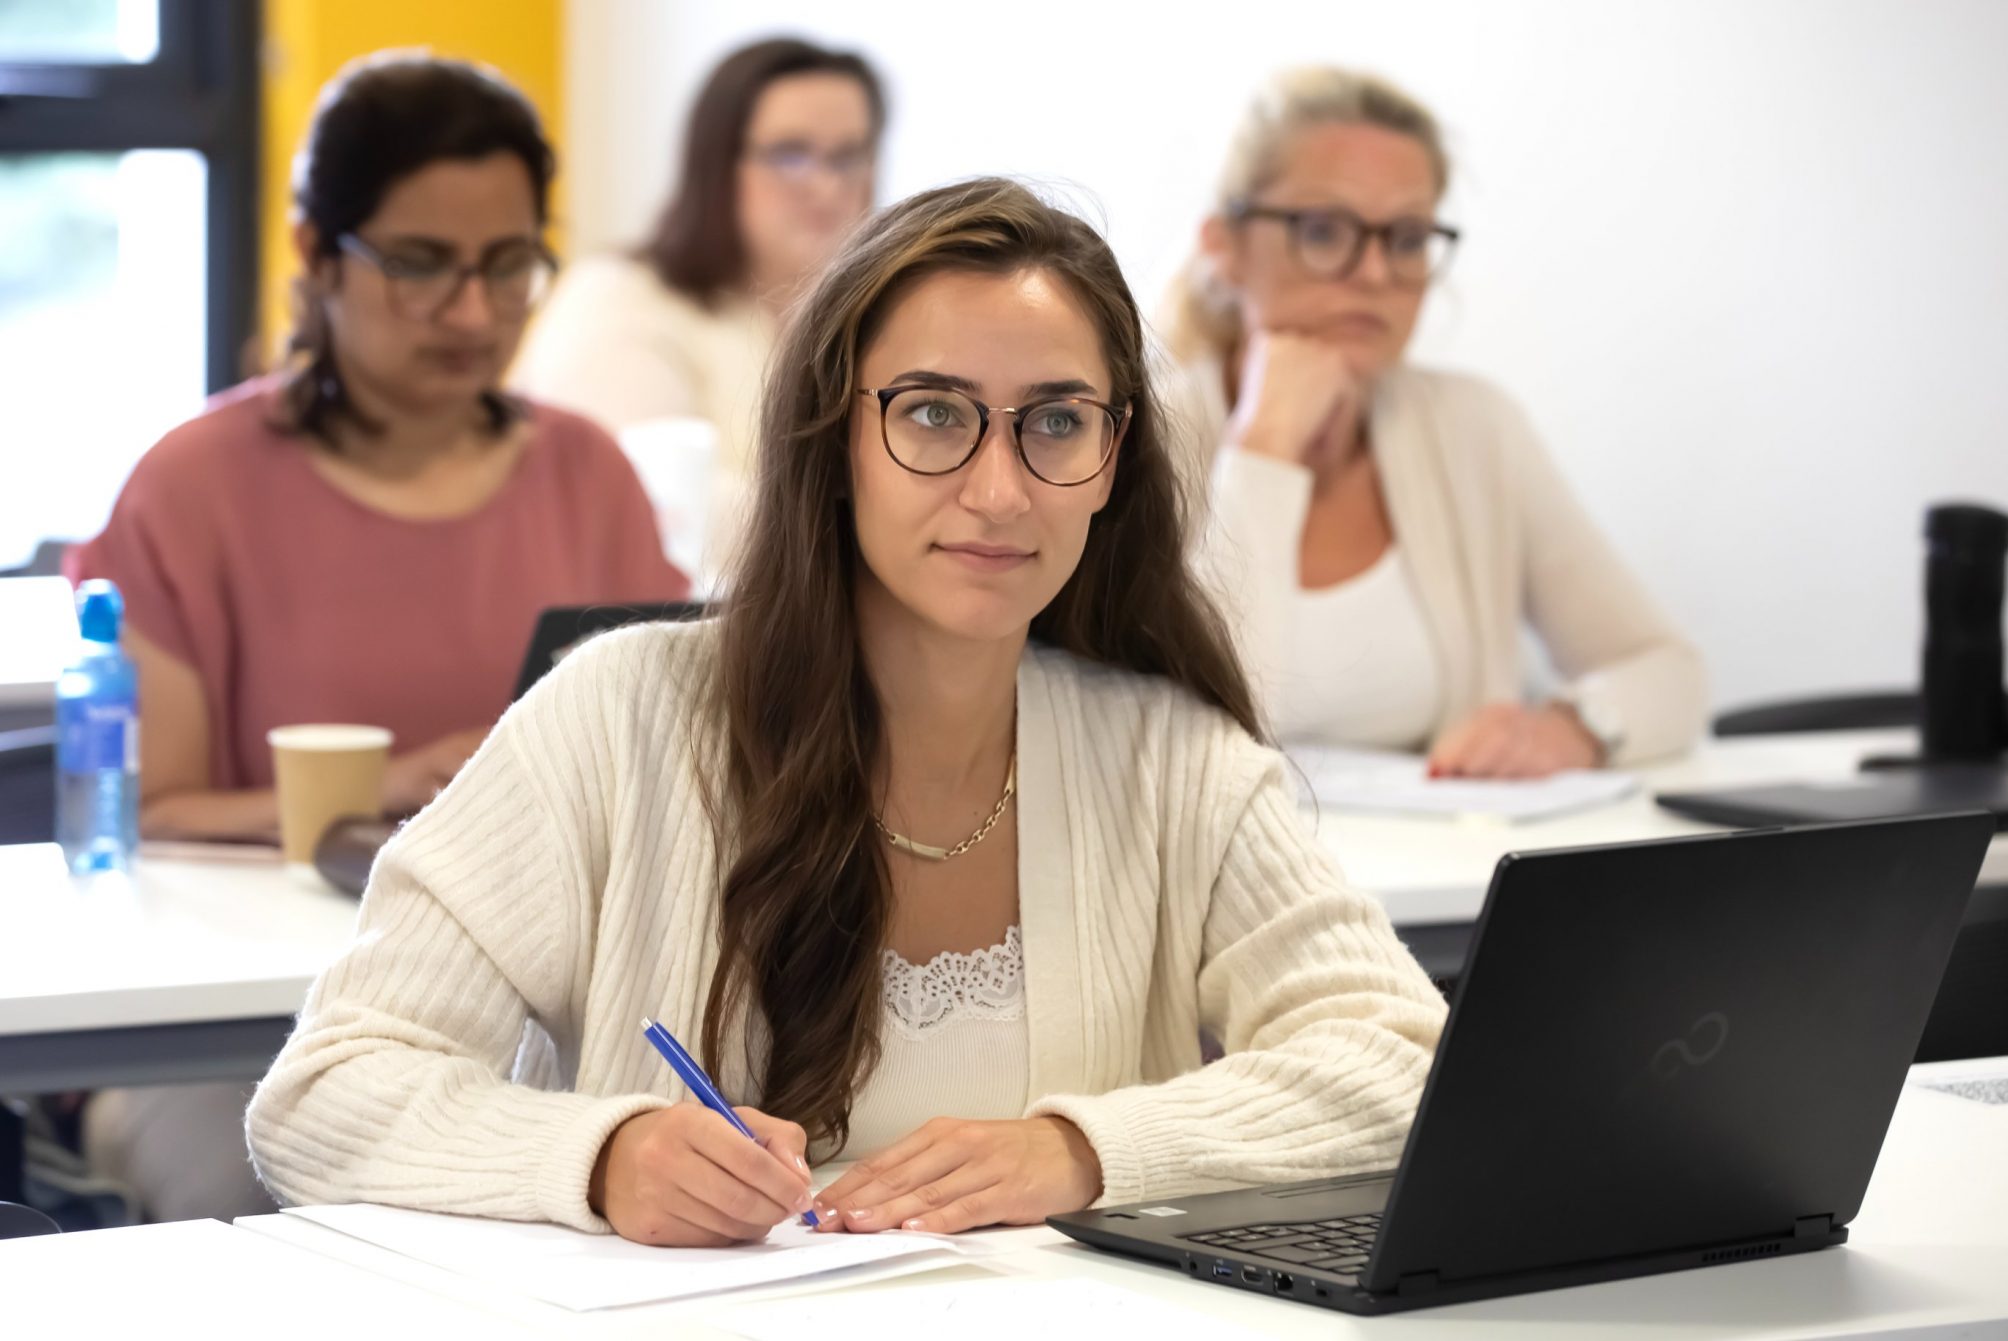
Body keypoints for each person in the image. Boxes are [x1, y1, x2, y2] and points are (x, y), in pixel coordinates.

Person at [247, 178, 1447, 1246]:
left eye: (1055, 423)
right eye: (931, 412)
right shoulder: (616, 717)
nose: (996, 487)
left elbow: (1401, 1063)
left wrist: (1078, 1152)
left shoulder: (1174, 759)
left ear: (1112, 457)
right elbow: (325, 1097)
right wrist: (601, 1158)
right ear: (834, 439)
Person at [65, 52, 686, 1224]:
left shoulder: (586, 475)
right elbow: (147, 809)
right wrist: (390, 790)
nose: (471, 312)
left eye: (508, 267)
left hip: (534, 1011)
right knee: (287, 1208)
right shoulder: (196, 485)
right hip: (240, 1025)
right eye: (419, 266)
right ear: (317, 256)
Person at [1170, 67, 1705, 777]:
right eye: (1324, 229)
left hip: (1439, 882)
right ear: (1225, 246)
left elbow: (1669, 671)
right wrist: (1265, 452)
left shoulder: (1475, 430)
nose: (1373, 273)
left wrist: (1572, 729)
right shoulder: (1132, 440)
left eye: (1408, 237)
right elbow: (1211, 729)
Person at [512, 37, 885, 471]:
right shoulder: (618, 301)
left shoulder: (869, 322)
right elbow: (661, 508)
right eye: (791, 154)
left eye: (848, 157)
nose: (827, 187)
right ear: (718, 163)